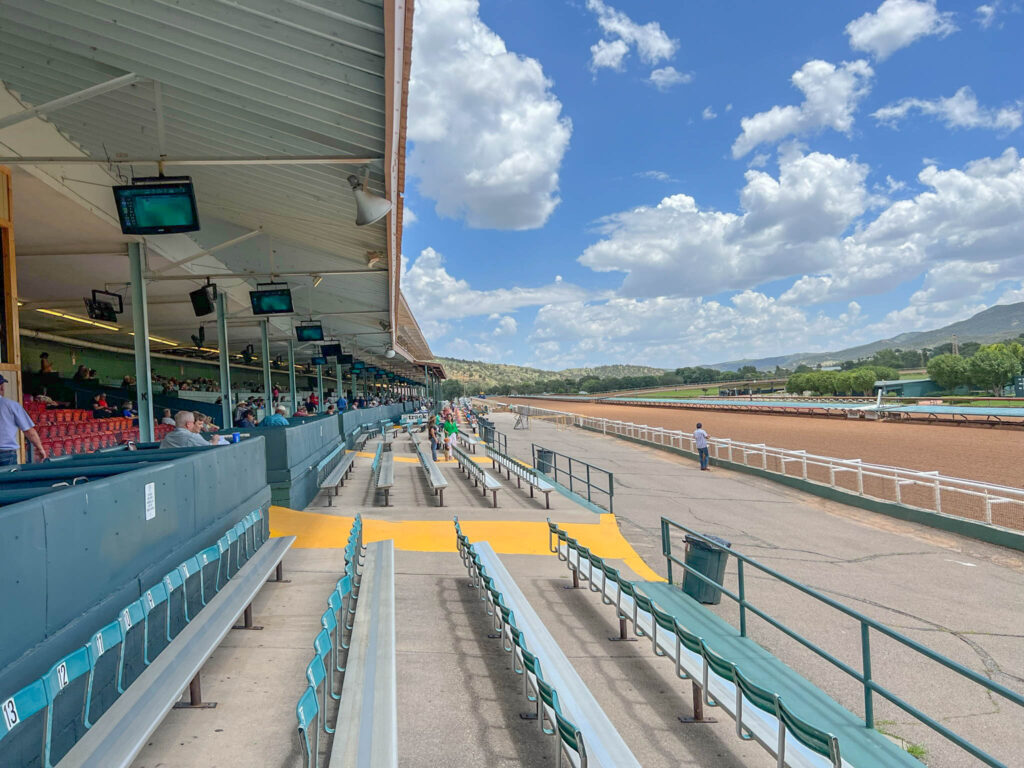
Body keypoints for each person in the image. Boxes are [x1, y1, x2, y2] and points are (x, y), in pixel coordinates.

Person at [0, 374, 47, 464]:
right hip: (6, 454)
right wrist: (40, 448)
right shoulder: (12, 405)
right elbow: (29, 432)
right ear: (1, 387)